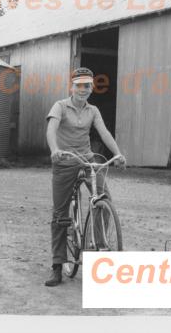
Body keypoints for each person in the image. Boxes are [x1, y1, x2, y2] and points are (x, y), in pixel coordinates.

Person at [44, 67, 126, 286]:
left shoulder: (93, 110)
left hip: (88, 159)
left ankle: (100, 247)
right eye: (79, 85)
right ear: (72, 87)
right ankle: (57, 266)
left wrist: (117, 153)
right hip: (64, 160)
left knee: (103, 200)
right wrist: (54, 149)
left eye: (87, 85)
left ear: (92, 88)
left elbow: (104, 132)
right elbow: (51, 130)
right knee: (60, 214)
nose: (83, 89)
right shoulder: (60, 106)